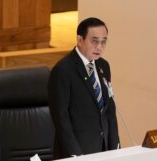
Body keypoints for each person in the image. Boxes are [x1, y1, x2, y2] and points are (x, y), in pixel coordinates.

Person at [48, 17, 120, 159]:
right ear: (80, 40)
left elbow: (109, 111)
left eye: (103, 41)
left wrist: (116, 149)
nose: (99, 47)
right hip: (78, 152)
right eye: (94, 41)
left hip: (104, 150)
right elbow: (61, 120)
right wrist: (76, 155)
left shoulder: (103, 66)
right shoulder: (62, 70)